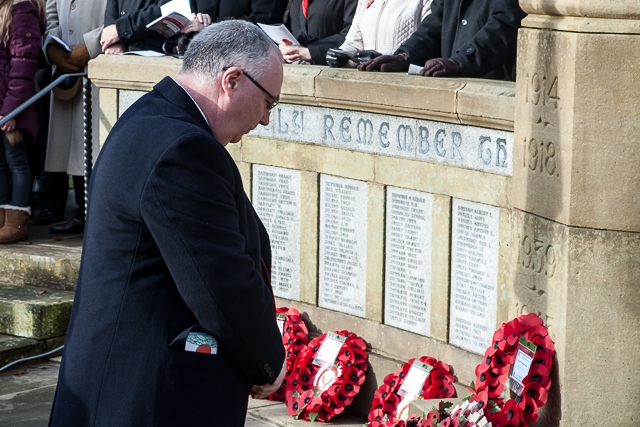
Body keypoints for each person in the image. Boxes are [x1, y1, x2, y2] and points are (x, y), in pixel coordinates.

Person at [48, 20, 286, 426]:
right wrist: (268, 361)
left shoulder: (152, 117)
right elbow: (220, 285)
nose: (265, 120)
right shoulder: (184, 148)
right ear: (231, 80)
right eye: (269, 103)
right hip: (148, 399)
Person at [35, 0, 108, 233]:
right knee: (67, 147)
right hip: (65, 72)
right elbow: (51, 15)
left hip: (97, 66)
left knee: (93, 145)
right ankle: (75, 208)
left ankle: (91, 212)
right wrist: (52, 48)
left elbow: (120, 14)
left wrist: (90, 47)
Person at [356, 0, 526, 80]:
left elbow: (504, 27)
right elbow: (434, 24)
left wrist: (460, 62)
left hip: (491, 94)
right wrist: (405, 56)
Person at [0, 0, 45, 244]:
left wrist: (11, 110)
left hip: (11, 107)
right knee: (0, 163)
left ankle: (16, 222)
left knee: (16, 161)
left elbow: (22, 67)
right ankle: (1, 219)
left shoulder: (22, 13)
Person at [279, 0, 356, 65]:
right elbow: (290, 28)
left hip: (332, 70)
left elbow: (354, 34)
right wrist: (285, 48)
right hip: (296, 70)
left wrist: (311, 52)